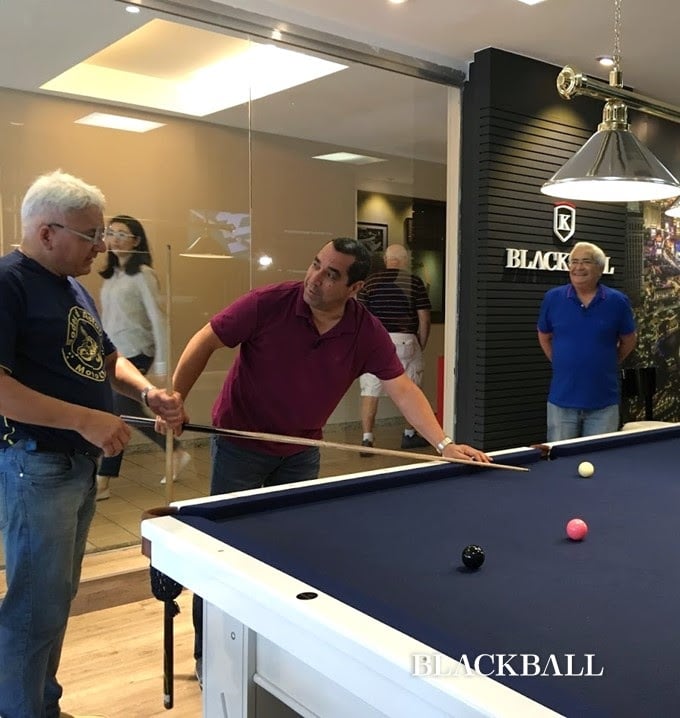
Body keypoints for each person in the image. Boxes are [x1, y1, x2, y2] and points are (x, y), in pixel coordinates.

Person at [169, 236, 490, 685]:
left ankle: (278, 648)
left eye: (332, 274)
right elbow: (206, 341)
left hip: (302, 452)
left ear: (355, 288)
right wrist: (176, 400)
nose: (315, 278)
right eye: (316, 265)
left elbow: (401, 387)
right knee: (225, 555)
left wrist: (443, 444)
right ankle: (211, 655)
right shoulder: (269, 302)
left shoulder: (364, 329)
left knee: (291, 553)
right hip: (240, 444)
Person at [0, 170, 184, 718]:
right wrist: (85, 419)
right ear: (47, 231)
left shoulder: (73, 286)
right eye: (90, 235)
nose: (100, 245)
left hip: (71, 466)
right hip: (38, 464)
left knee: (53, 601)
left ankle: (41, 703)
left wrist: (147, 391)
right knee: (35, 605)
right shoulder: (8, 282)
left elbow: (104, 356)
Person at [95, 214, 190, 500]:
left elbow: (158, 318)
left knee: (124, 411)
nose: (115, 238)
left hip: (137, 351)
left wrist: (162, 362)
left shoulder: (143, 275)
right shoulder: (113, 276)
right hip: (113, 355)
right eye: (111, 233)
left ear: (136, 240)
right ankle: (104, 478)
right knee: (119, 412)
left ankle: (105, 479)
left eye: (122, 234)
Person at [537, 241, 637, 441]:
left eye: (585, 262)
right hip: (561, 403)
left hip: (604, 405)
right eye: (574, 261)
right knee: (559, 463)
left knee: (601, 464)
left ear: (600, 268)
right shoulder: (553, 298)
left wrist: (608, 361)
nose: (578, 267)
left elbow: (629, 339)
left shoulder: (617, 301)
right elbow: (544, 335)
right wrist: (560, 361)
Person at [357, 243, 431, 453]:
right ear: (405, 260)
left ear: (386, 260)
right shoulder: (414, 282)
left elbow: (360, 317)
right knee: (412, 389)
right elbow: (424, 319)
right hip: (406, 339)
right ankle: (409, 435)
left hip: (375, 340)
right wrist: (421, 343)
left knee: (370, 390)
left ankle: (367, 440)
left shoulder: (369, 282)